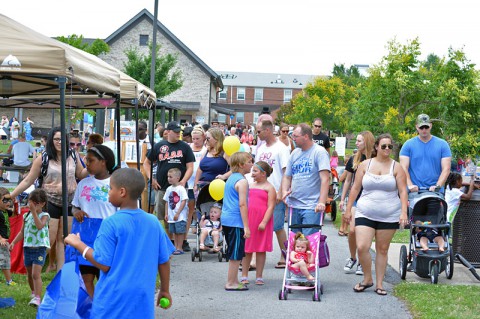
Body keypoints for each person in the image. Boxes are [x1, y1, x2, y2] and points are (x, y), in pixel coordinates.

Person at [64, 168, 175, 318]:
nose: (108, 193)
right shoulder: (153, 222)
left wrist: (78, 244)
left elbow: (103, 263)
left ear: (122, 192)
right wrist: (164, 289)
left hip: (112, 302)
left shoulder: (110, 223)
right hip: (141, 300)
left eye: (110, 189)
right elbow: (164, 260)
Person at [10, 127, 87, 273]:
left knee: (63, 238)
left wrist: (90, 164)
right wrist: (12, 195)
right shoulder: (43, 158)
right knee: (49, 239)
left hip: (70, 201)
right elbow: (28, 181)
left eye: (62, 139)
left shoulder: (73, 155)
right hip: (49, 200)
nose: (59, 142)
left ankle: (61, 272)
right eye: (56, 139)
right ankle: (30, 269)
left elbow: (80, 174)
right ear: (51, 140)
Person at [344, 133, 408, 296]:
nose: (387, 149)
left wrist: (403, 213)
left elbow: (402, 190)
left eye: (390, 146)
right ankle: (367, 279)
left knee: (382, 249)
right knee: (362, 246)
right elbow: (356, 188)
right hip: (365, 211)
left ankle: (379, 284)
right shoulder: (365, 165)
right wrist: (348, 208)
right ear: (377, 147)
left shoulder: (397, 167)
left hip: (389, 214)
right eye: (384, 146)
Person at [71, 145, 117, 297]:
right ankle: (93, 310)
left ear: (103, 162)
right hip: (86, 237)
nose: (87, 164)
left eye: (90, 160)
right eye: (85, 160)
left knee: (106, 278)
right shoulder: (83, 183)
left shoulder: (115, 184)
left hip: (107, 238)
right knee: (86, 278)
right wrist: (77, 212)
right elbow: (74, 207)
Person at [144, 121, 195, 251]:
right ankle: (167, 242)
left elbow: (190, 167)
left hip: (179, 188)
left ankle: (180, 242)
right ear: (168, 132)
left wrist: (183, 181)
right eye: (176, 132)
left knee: (180, 215)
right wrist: (152, 179)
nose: (178, 134)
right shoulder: (159, 146)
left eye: (179, 132)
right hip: (162, 187)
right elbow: (147, 163)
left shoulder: (185, 147)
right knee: (164, 215)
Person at [282, 123, 330, 236]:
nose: (293, 139)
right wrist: (284, 191)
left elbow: (325, 179)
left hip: (311, 206)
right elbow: (287, 176)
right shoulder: (294, 154)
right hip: (294, 205)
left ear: (306, 136)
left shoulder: (319, 152)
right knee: (295, 244)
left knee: (309, 243)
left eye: (295, 136)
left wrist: (322, 202)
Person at [399, 114, 452, 214]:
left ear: (430, 126)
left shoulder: (442, 144)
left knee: (435, 223)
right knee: (416, 225)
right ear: (416, 127)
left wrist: (438, 185)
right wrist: (410, 185)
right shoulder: (408, 145)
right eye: (421, 127)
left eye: (426, 127)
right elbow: (403, 168)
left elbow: (446, 168)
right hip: (415, 192)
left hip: (434, 193)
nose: (424, 130)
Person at [255, 119, 290, 269]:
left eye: (259, 132)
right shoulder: (261, 148)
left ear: (267, 130)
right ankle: (254, 258)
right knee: (258, 225)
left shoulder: (281, 148)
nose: (257, 134)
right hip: (260, 192)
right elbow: (256, 169)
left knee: (277, 225)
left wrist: (282, 192)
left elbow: (286, 172)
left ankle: (285, 254)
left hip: (275, 191)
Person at [339, 131, 375, 275]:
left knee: (365, 232)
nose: (357, 143)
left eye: (359, 141)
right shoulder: (354, 159)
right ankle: (353, 257)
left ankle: (362, 260)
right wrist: (342, 199)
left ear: (366, 141)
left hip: (371, 199)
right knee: (352, 230)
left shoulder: (375, 158)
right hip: (355, 199)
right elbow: (348, 180)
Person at [10, 189, 50, 307]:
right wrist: (13, 242)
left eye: (36, 203)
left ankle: (38, 298)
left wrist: (33, 213)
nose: (32, 205)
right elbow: (22, 232)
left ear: (42, 204)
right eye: (31, 202)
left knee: (35, 274)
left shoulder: (44, 216)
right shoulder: (26, 216)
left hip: (40, 248)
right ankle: (33, 293)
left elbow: (39, 226)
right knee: (29, 273)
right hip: (27, 248)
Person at [240, 161, 275, 286]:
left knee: (260, 249)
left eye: (255, 171)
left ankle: (259, 276)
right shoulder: (250, 185)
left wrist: (264, 222)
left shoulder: (269, 188)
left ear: (264, 173)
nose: (252, 173)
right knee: (247, 249)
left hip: (261, 221)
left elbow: (271, 206)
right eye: (252, 170)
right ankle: (244, 274)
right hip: (249, 220)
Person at [222, 152, 253, 291]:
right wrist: (246, 226)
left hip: (227, 219)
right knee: (236, 253)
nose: (252, 164)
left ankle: (234, 279)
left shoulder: (231, 178)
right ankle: (231, 282)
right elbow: (242, 204)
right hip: (236, 220)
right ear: (241, 165)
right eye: (250, 161)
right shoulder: (242, 181)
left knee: (235, 250)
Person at [194, 128, 231, 192]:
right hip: (202, 187)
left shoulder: (224, 153)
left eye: (208, 139)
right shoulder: (206, 152)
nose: (206, 141)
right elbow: (200, 169)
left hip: (217, 188)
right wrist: (195, 184)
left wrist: (224, 176)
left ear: (216, 139)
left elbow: (235, 169)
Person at [164, 167, 189, 255]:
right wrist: (166, 213)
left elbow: (184, 201)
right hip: (171, 216)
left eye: (170, 177)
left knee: (180, 231)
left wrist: (178, 213)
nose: (168, 179)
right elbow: (167, 202)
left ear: (177, 178)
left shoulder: (181, 189)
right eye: (168, 177)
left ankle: (180, 247)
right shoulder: (168, 189)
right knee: (174, 231)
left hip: (180, 216)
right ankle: (175, 247)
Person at [187, 126, 206, 233]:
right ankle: (192, 221)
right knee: (190, 206)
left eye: (197, 139)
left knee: (199, 205)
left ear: (203, 137)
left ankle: (199, 223)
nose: (195, 141)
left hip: (200, 181)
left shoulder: (206, 149)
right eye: (193, 139)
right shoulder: (189, 147)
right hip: (189, 182)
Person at [0, 188, 15, 286]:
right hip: (2, 241)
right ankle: (9, 281)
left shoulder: (5, 211)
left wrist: (15, 203)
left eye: (9, 200)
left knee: (4, 260)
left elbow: (14, 212)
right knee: (4, 261)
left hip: (5, 241)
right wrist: (0, 238)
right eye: (4, 200)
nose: (8, 202)